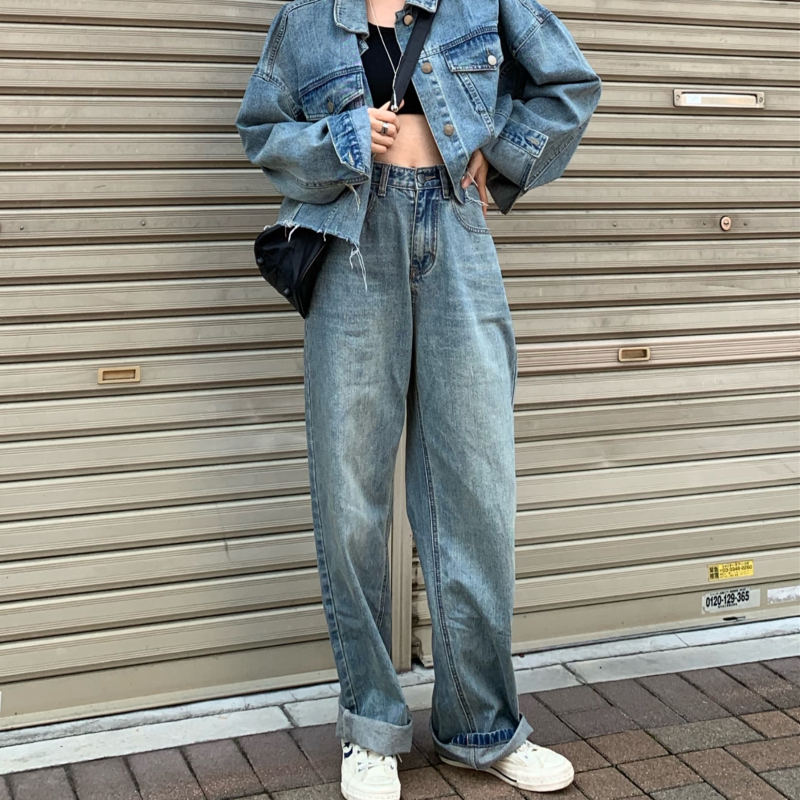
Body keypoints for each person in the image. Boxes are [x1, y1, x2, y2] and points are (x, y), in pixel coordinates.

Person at [236, 0, 601, 796]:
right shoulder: (307, 19)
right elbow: (262, 131)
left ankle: (482, 727)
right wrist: (337, 139)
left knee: (475, 491)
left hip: (456, 230)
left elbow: (569, 83)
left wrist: (504, 153)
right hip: (350, 242)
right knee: (351, 498)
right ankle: (370, 727)